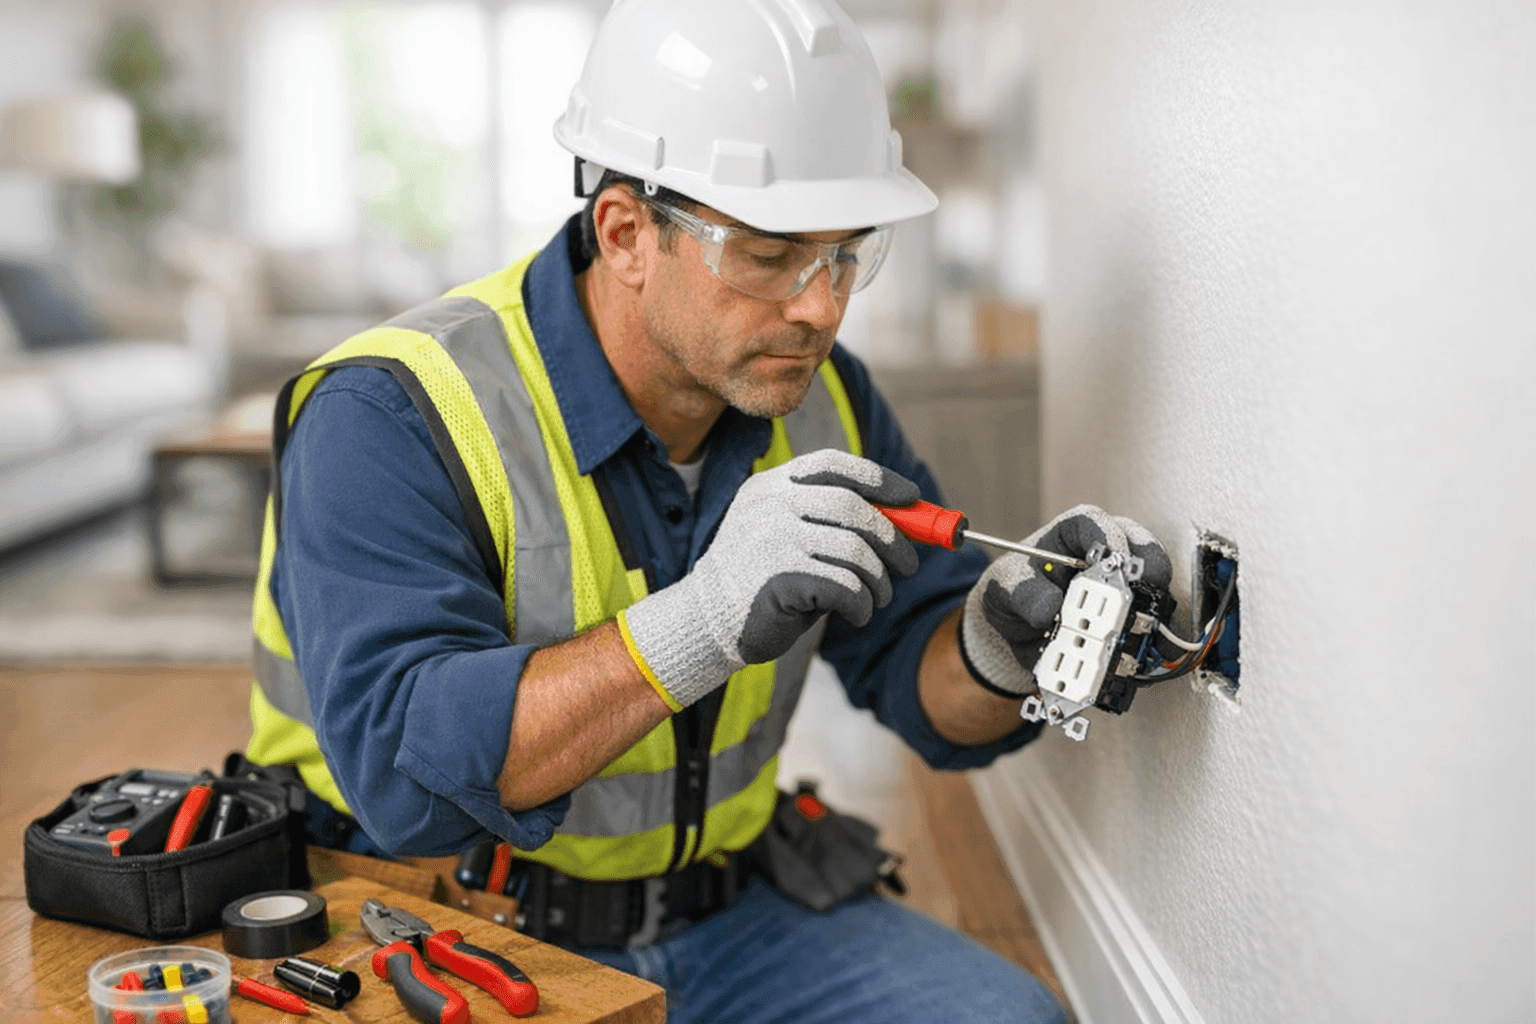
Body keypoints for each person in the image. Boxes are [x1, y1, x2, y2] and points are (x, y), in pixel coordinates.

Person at [244, 0, 1171, 1020]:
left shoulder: (827, 398)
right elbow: (403, 775)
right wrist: (704, 618)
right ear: (627, 231)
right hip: (445, 929)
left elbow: (926, 682)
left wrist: (1004, 640)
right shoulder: (390, 411)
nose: (820, 305)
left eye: (847, 253)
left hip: (729, 913)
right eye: (771, 254)